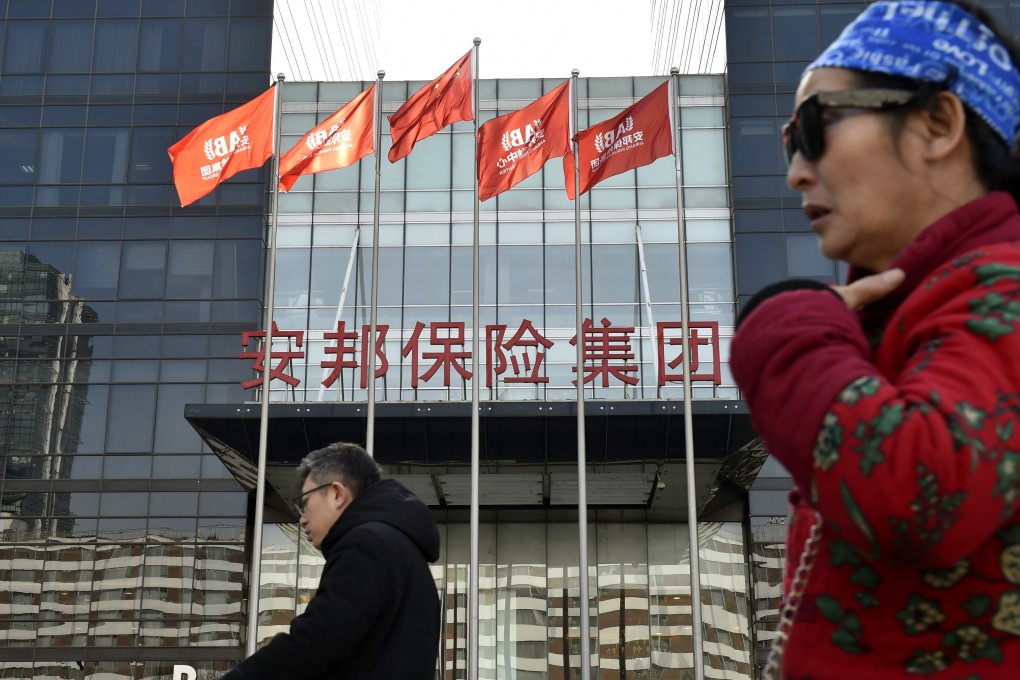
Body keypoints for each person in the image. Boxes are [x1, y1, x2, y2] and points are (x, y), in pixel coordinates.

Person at [730, 1, 1020, 677]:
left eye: (813, 128)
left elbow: (923, 493)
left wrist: (786, 331)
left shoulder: (1003, 289)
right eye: (788, 142)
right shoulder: (919, 304)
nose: (797, 171)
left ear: (938, 124)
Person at [220, 442, 441, 679]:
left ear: (337, 494)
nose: (302, 519)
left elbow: (313, 644)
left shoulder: (365, 545)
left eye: (304, 504)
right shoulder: (405, 551)